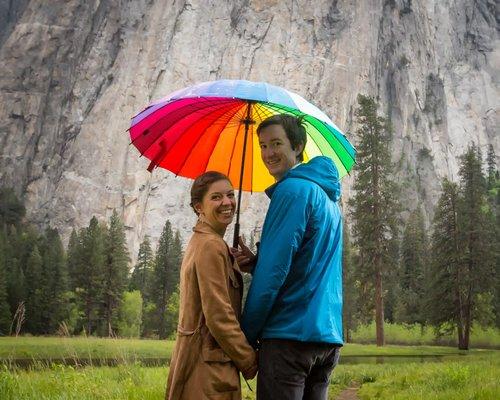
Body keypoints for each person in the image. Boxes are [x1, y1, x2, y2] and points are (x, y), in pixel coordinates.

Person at [233, 114, 343, 400]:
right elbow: (309, 265)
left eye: (276, 143)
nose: (268, 153)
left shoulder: (292, 191)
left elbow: (274, 274)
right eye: (263, 145)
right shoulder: (329, 200)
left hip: (288, 337)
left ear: (298, 146)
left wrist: (245, 335)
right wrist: (258, 263)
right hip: (326, 338)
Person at [166, 171, 258, 400]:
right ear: (199, 207)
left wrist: (233, 263)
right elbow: (219, 316)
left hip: (201, 362)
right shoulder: (211, 246)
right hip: (208, 369)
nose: (227, 202)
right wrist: (250, 360)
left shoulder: (206, 241)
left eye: (229, 195)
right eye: (216, 197)